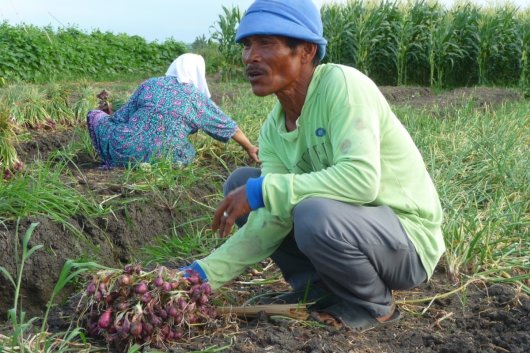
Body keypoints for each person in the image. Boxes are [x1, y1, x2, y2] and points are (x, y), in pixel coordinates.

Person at [182, 0, 445, 332]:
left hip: (405, 241)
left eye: (266, 43)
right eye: (246, 46)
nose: (251, 57)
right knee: (246, 180)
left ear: (305, 51)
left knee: (304, 210)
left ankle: (374, 306)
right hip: (348, 229)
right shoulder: (273, 130)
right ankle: (317, 291)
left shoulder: (343, 86)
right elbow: (272, 219)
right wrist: (201, 276)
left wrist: (265, 189)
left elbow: (362, 182)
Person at [86, 53, 259, 168]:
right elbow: (229, 127)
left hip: (124, 150)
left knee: (94, 115)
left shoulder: (150, 84)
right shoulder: (196, 98)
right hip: (166, 159)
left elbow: (120, 118)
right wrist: (250, 148)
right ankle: (155, 164)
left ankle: (120, 160)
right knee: (188, 151)